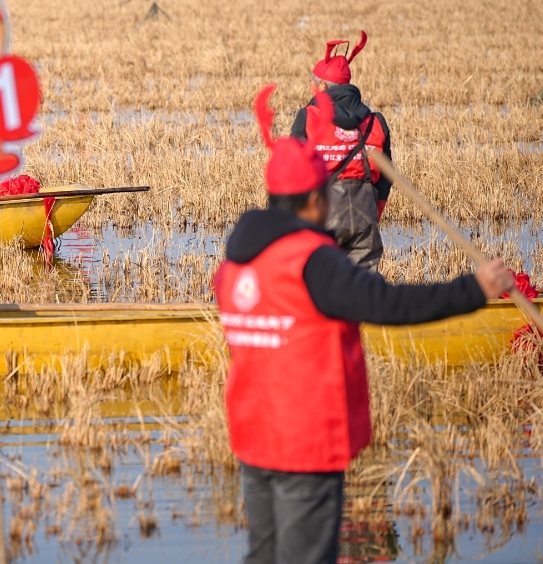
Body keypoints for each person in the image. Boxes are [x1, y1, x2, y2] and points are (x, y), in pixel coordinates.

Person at [213, 85, 516, 564]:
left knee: (265, 556)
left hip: (254, 435)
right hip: (304, 442)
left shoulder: (235, 266)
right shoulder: (313, 262)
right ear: (316, 200)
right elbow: (388, 305)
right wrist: (474, 290)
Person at [291, 31, 392, 270]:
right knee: (364, 288)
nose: (310, 87)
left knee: (319, 285)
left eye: (312, 82)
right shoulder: (376, 122)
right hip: (364, 217)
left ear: (323, 86)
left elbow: (293, 174)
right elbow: (385, 180)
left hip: (321, 215)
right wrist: (371, 217)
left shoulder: (307, 118)